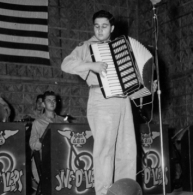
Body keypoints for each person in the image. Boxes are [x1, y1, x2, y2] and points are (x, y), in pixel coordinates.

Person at [61, 10, 137, 195]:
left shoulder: (121, 46)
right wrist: (90, 65)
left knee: (127, 150)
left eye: (104, 26)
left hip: (123, 100)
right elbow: (66, 64)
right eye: (96, 26)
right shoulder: (86, 46)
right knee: (104, 150)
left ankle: (124, 191)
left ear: (111, 28)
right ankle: (103, 192)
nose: (100, 30)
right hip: (101, 99)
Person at [29, 91, 68, 184]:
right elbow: (32, 145)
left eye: (54, 100)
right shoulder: (37, 123)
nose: (52, 102)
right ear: (43, 104)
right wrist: (43, 141)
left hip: (63, 161)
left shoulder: (63, 121)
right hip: (46, 164)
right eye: (49, 100)